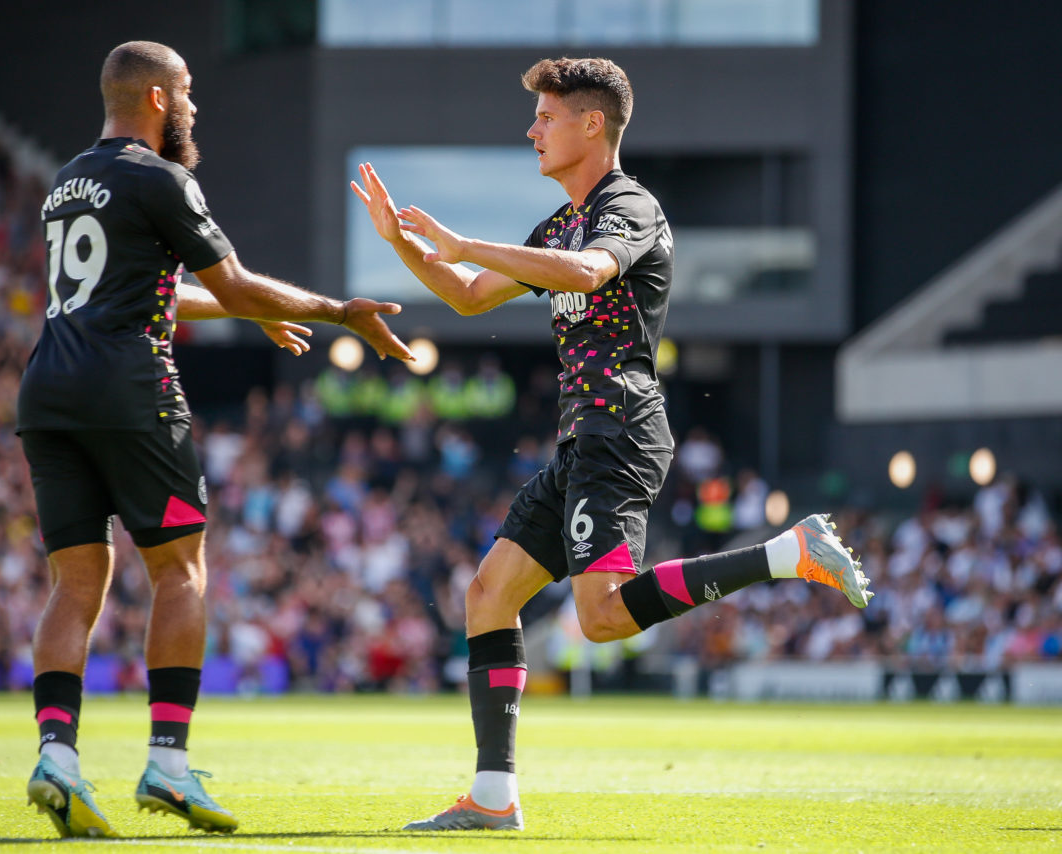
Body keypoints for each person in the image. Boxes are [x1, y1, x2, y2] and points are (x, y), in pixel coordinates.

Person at [351, 56, 872, 832]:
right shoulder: (558, 223)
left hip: (620, 429)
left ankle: (788, 553)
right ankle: (493, 797)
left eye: (546, 117)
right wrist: (405, 244)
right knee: (488, 594)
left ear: (592, 124)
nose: (531, 130)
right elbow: (465, 296)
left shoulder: (629, 206)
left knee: (598, 620)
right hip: (582, 438)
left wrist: (466, 243)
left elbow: (591, 274)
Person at [18, 40, 413, 839]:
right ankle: (168, 764)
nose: (195, 106)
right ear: (158, 98)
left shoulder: (66, 183)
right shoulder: (163, 179)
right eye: (188, 92)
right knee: (181, 571)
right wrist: (338, 311)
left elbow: (141, 290)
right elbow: (225, 282)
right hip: (128, 386)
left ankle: (56, 757)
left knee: (75, 583)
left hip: (48, 388)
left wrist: (241, 306)